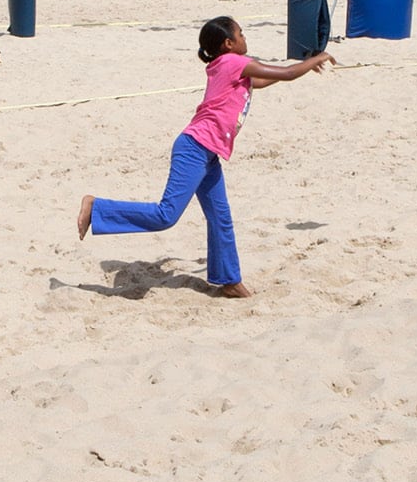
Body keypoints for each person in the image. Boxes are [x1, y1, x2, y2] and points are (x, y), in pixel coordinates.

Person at [77, 16, 335, 297]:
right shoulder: (233, 63)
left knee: (220, 217)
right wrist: (317, 57)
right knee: (166, 215)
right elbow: (285, 72)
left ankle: (229, 281)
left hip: (207, 153)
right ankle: (97, 208)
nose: (245, 38)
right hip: (194, 148)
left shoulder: (228, 67)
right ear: (229, 43)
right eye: (241, 34)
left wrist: (308, 67)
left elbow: (262, 81)